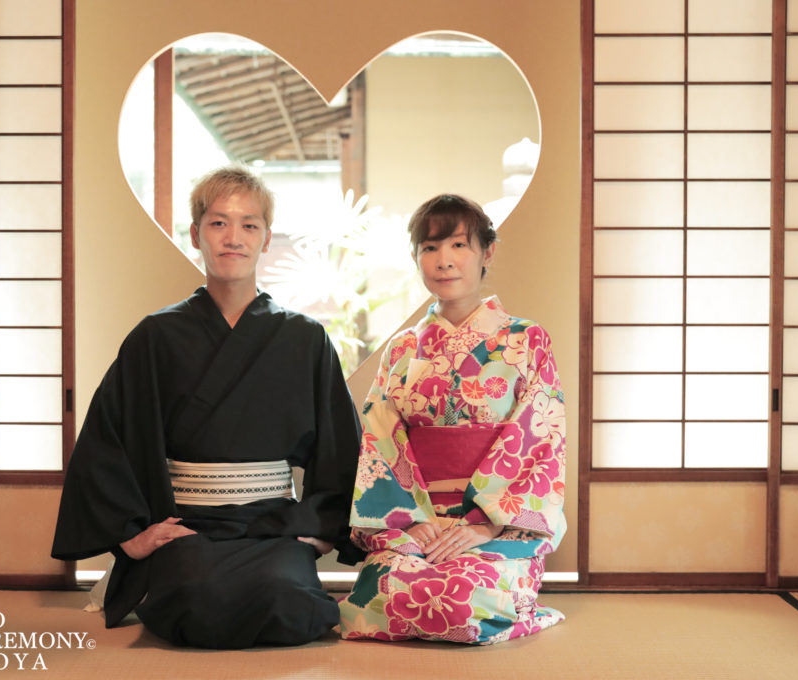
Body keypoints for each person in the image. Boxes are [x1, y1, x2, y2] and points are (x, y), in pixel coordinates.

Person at [51, 166, 361, 649]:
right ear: (196, 234)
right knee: (195, 599)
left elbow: (340, 446)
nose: (233, 238)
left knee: (287, 599)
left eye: (249, 225)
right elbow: (107, 438)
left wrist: (322, 528)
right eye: (218, 223)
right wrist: (131, 534)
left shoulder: (304, 338)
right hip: (188, 524)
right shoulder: (156, 336)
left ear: (266, 238)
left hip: (272, 524)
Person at [338, 194, 566, 645]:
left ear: (488, 252)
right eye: (429, 248)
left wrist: (485, 522)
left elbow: (541, 439)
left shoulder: (527, 340)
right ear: (416, 257)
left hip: (496, 522)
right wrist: (406, 522)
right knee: (383, 593)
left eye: (459, 245)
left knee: (461, 601)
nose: (444, 261)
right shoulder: (403, 348)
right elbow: (381, 440)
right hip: (417, 521)